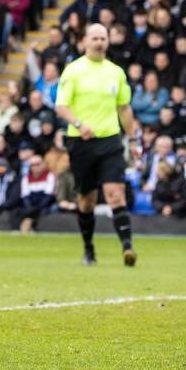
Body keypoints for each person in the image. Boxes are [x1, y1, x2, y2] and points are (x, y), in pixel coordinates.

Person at [55, 24, 138, 267]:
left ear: (108, 42)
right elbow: (61, 106)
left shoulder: (115, 72)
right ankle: (89, 249)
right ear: (85, 41)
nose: (99, 42)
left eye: (103, 38)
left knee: (115, 194)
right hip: (81, 142)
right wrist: (79, 124)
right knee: (87, 200)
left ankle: (127, 248)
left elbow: (124, 107)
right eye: (95, 38)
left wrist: (132, 138)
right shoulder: (73, 70)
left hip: (110, 140)